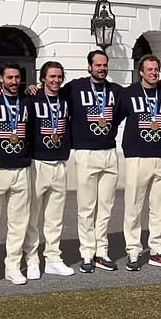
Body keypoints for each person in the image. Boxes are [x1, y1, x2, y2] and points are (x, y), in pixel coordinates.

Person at [66, 50, 124, 274]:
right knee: (86, 207)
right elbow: (50, 92)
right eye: (98, 65)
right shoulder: (75, 87)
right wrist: (33, 88)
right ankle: (87, 253)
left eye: (104, 65)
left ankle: (102, 252)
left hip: (109, 152)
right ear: (89, 66)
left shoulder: (115, 90)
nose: (102, 68)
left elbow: (134, 98)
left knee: (106, 207)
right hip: (86, 153)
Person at [118, 54, 161, 271]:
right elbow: (114, 119)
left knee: (160, 208)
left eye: (156, 69)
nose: (153, 73)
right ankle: (133, 250)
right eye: (149, 69)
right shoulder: (129, 93)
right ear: (141, 72)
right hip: (137, 156)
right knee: (133, 206)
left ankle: (157, 249)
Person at [0, 63, 33, 288]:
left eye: (17, 77)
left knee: (18, 222)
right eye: (9, 77)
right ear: (0, 78)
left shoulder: (28, 100)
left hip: (21, 168)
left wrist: (36, 87)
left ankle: (13, 266)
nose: (13, 82)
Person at [23, 61, 74, 279]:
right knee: (32, 215)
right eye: (52, 76)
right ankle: (32, 258)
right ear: (43, 77)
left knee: (55, 217)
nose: (56, 80)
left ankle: (53, 258)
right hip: (38, 163)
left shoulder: (66, 98)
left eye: (59, 76)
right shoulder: (32, 98)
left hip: (59, 163)